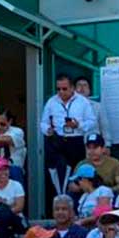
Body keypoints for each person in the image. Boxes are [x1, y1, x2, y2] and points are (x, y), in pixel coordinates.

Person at [41, 73, 97, 202]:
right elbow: (43, 122)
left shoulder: (82, 101)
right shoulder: (52, 102)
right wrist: (47, 129)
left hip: (75, 141)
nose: (61, 92)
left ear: (72, 88)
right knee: (56, 173)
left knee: (76, 176)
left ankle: (75, 204)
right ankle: (58, 201)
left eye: (64, 89)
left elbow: (92, 121)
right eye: (58, 89)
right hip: (57, 140)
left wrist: (78, 125)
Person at [75, 77, 110, 146]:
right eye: (79, 85)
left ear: (89, 90)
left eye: (85, 85)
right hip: (74, 145)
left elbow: (104, 127)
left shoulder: (98, 106)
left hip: (93, 145)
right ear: (74, 90)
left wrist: (107, 145)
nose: (82, 88)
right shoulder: (68, 106)